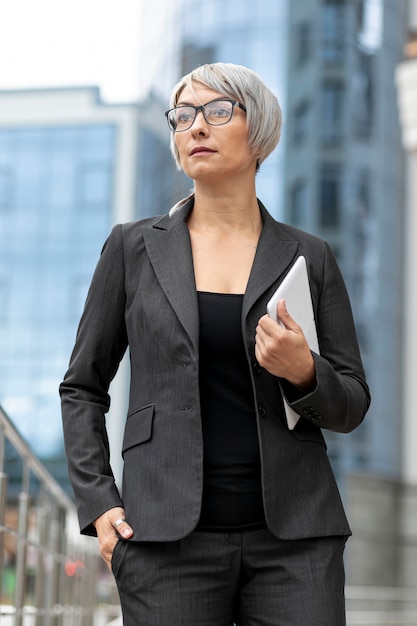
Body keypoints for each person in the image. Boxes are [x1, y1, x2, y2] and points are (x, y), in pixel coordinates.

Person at [60, 62, 370, 626]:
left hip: (297, 544)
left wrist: (304, 372)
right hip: (163, 541)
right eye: (183, 116)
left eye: (218, 111)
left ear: (260, 133)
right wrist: (100, 503)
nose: (196, 127)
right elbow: (82, 387)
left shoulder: (310, 255)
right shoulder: (132, 249)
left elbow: (351, 402)